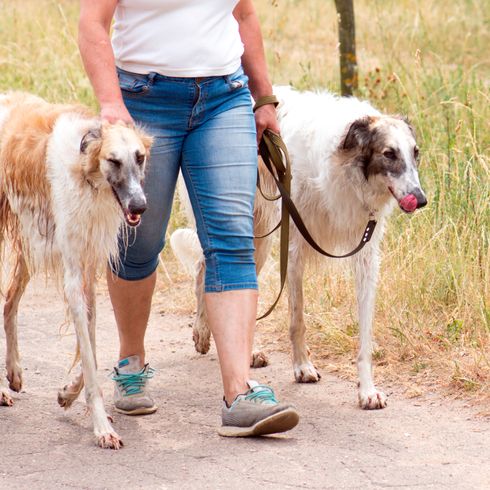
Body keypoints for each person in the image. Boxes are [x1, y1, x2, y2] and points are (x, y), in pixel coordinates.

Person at [78, 0, 299, 436]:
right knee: (138, 242)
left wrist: (264, 97)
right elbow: (92, 21)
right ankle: (131, 361)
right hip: (144, 99)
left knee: (233, 238)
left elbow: (244, 15)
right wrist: (110, 102)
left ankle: (238, 393)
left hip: (224, 99)